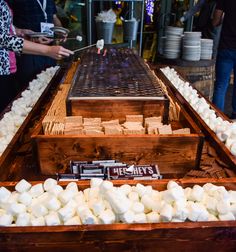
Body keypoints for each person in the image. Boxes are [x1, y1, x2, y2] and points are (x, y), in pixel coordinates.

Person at [0, 0, 73, 113]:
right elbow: (3, 39)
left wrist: (20, 32)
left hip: (8, 66)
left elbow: (6, 28)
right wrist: (47, 50)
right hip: (12, 63)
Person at [8, 0, 64, 91]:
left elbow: (54, 17)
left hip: (50, 51)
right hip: (27, 52)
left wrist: (60, 29)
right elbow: (7, 25)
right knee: (30, 90)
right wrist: (20, 32)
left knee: (50, 85)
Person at [212, 0, 236, 119]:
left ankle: (217, 118)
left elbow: (215, 21)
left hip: (226, 46)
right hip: (227, 47)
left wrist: (223, 20)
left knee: (221, 85)